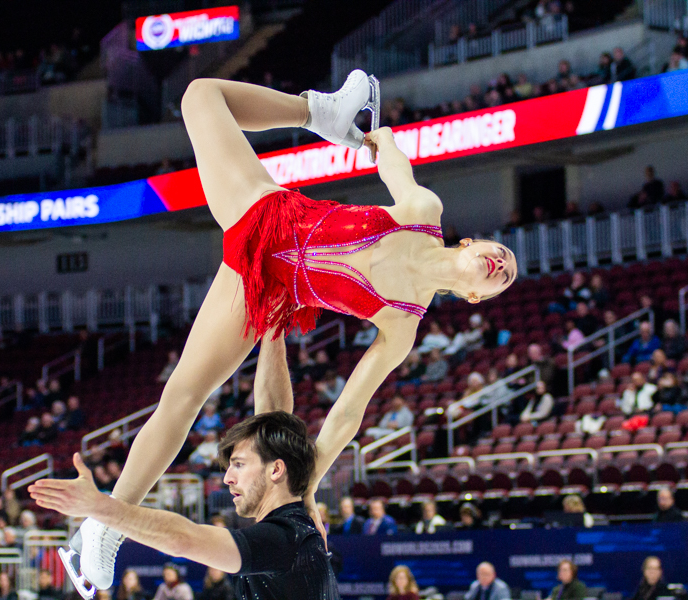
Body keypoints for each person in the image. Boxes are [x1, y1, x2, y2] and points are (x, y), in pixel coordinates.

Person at [55, 70, 516, 590]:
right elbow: (395, 164)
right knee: (201, 95)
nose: (500, 261)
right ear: (472, 244)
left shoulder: (403, 321)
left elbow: (347, 414)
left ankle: (103, 530)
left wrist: (306, 487)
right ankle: (103, 529)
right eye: (500, 252)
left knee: (183, 396)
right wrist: (380, 138)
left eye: (507, 272)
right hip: (271, 215)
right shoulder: (423, 211)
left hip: (267, 287)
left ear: (477, 296)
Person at [30, 409, 341, 600]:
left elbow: (183, 538)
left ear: (276, 470)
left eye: (239, 465)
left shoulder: (286, 538)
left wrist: (100, 507)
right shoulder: (293, 528)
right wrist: (272, 327)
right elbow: (276, 405)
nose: (227, 478)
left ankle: (102, 529)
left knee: (183, 399)